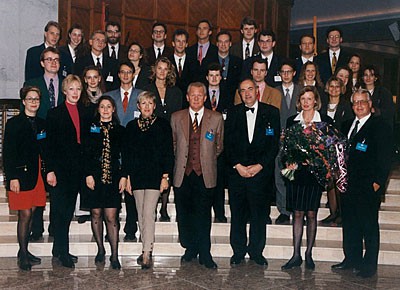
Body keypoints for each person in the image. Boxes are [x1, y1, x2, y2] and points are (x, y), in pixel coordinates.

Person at [332, 89, 393, 278]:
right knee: (350, 224)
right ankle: (351, 259)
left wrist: (378, 183)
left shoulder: (380, 126)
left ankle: (369, 265)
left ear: (370, 105)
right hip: (347, 185)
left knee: (368, 226)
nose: (359, 105)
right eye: (355, 102)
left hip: (368, 186)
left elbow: (386, 157)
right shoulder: (346, 124)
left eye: (363, 102)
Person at [225, 78, 280, 266]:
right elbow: (227, 144)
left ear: (257, 90)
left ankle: (257, 252)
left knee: (259, 214)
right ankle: (238, 251)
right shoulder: (232, 113)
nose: (247, 93)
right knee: (237, 214)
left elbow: (273, 146)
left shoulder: (271, 112)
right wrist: (238, 166)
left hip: (260, 174)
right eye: (243, 90)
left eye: (250, 89)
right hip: (237, 173)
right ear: (239, 94)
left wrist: (259, 166)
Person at [171, 82, 224, 269]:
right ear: (187, 97)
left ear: (205, 97)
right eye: (192, 95)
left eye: (199, 95)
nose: (195, 98)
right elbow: (174, 145)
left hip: (205, 174)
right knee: (184, 214)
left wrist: (204, 160)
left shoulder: (216, 118)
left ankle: (205, 253)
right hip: (183, 174)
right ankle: (190, 248)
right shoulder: (176, 117)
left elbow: (219, 147)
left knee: (203, 215)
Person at [281, 86, 332, 271]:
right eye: (303, 99)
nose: (306, 102)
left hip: (314, 174)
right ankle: (295, 254)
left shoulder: (325, 121)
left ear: (316, 101)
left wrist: (320, 162)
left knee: (311, 213)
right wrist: (288, 163)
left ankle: (308, 254)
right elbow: (285, 149)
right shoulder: (292, 122)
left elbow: (329, 149)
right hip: (297, 174)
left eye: (309, 99)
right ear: (299, 101)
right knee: (297, 213)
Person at [125, 91, 174, 269]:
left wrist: (165, 177)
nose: (146, 107)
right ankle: (147, 247)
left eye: (150, 103)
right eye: (143, 103)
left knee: (148, 213)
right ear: (138, 106)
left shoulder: (163, 125)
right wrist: (128, 177)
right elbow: (128, 154)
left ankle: (146, 253)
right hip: (137, 176)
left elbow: (168, 152)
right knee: (140, 213)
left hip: (155, 176)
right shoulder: (131, 126)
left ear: (155, 106)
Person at [45, 75, 90, 268]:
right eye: (71, 89)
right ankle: (62, 252)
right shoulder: (54, 114)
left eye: (78, 89)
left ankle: (59, 249)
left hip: (78, 169)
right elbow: (49, 146)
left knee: (69, 210)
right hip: (61, 170)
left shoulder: (86, 112)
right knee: (61, 212)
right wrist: (50, 170)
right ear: (64, 91)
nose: (75, 93)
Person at [3, 86, 47, 271]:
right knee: (25, 214)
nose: (33, 102)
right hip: (20, 175)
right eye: (30, 99)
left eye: (36, 99)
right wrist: (12, 177)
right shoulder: (14, 123)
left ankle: (25, 250)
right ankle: (22, 254)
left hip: (37, 174)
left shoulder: (42, 122)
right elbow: (8, 153)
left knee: (33, 211)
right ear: (23, 101)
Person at [24, 46, 64, 241]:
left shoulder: (67, 84)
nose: (53, 63)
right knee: (38, 183)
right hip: (37, 139)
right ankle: (36, 226)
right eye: (49, 59)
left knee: (57, 187)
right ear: (42, 63)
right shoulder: (32, 84)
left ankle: (55, 227)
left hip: (60, 142)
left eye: (56, 59)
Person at [82, 95, 126, 269]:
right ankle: (100, 249)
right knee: (96, 214)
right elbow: (85, 153)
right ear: (98, 109)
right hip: (94, 176)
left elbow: (126, 156)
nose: (106, 110)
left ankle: (115, 255)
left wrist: (124, 176)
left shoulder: (120, 130)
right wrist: (88, 174)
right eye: (102, 107)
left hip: (113, 177)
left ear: (113, 109)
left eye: (109, 106)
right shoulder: (90, 128)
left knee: (111, 216)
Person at [108, 61, 142, 242]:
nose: (126, 75)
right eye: (123, 72)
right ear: (119, 74)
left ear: (134, 74)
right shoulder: (109, 96)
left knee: (131, 194)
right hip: (112, 151)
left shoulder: (141, 96)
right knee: (112, 193)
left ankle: (131, 229)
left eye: (129, 72)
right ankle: (110, 229)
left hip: (133, 152)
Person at [319, 77, 353, 225]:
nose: (334, 89)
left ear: (342, 88)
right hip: (325, 148)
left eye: (337, 87)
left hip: (341, 148)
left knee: (340, 180)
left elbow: (347, 127)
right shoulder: (322, 106)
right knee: (330, 181)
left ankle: (342, 213)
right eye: (331, 86)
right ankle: (333, 213)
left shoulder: (346, 106)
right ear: (327, 88)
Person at [275, 61, 301, 225]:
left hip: (298, 141)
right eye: (283, 72)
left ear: (294, 73)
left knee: (296, 176)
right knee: (280, 175)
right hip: (278, 140)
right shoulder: (274, 92)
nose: (286, 75)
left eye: (288, 71)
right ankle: (283, 210)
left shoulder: (301, 91)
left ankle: (297, 209)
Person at [204, 63, 230, 223]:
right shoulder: (201, 94)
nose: (214, 78)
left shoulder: (228, 94)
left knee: (219, 180)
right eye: (211, 75)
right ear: (207, 77)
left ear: (221, 77)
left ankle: (219, 212)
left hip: (221, 144)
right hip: (203, 144)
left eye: (217, 75)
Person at [145, 57, 183, 123]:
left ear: (169, 71)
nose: (162, 71)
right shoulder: (146, 90)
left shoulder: (176, 92)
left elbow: (178, 114)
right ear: (155, 69)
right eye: (160, 68)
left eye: (165, 69)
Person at [361, 65, 395, 129]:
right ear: (362, 77)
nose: (368, 78)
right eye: (366, 75)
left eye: (371, 75)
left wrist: (376, 111)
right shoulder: (359, 92)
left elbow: (390, 112)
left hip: (379, 127)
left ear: (375, 78)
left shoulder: (384, 92)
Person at [186, 19, 219, 84]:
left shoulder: (216, 50)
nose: (201, 31)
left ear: (210, 32)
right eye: (199, 28)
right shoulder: (189, 50)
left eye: (204, 28)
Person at [216, 30, 242, 100]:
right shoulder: (208, 61)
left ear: (230, 44)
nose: (223, 45)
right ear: (217, 44)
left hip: (233, 99)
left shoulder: (238, 62)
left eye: (226, 42)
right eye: (220, 42)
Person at [169, 29, 192, 103]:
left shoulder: (194, 62)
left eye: (183, 41)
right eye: (178, 41)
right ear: (173, 43)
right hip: (171, 100)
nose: (181, 44)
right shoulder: (167, 62)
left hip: (188, 102)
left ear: (187, 44)